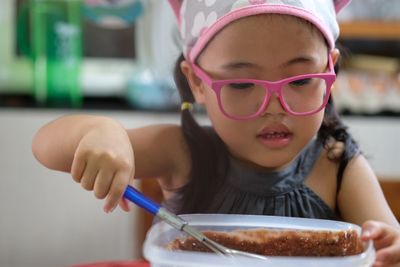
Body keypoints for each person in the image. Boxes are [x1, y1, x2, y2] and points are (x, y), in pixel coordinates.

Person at [32, 0, 400, 266]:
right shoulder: (181, 152)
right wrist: (100, 130)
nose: (275, 107)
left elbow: (388, 246)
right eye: (241, 85)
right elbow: (46, 147)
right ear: (197, 83)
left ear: (330, 70)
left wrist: (390, 249)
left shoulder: (338, 166)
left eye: (301, 79)